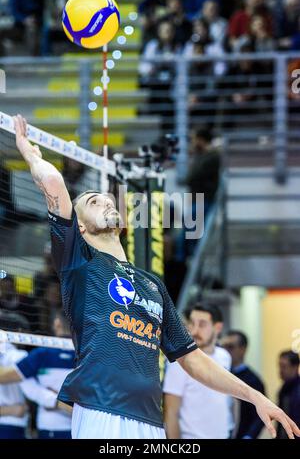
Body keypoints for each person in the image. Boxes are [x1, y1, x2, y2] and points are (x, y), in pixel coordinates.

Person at [8, 114, 300, 440]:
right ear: (80, 226)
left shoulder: (152, 284)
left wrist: (255, 396)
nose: (104, 200)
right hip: (102, 411)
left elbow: (191, 359)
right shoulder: (80, 263)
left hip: (149, 418)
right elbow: (53, 184)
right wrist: (29, 151)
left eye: (105, 197)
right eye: (92, 201)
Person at [0, 311, 74, 439]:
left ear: (57, 323)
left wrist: (57, 402)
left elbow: (7, 378)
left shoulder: (41, 354)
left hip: (48, 426)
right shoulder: (88, 354)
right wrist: (58, 402)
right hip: (75, 425)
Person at [163, 302, 232, 438]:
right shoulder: (180, 361)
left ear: (217, 327)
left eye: (202, 324)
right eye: (192, 323)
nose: (194, 331)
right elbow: (171, 412)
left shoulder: (224, 356)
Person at [222, 330, 265, 439]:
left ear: (243, 349)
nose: (226, 351)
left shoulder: (253, 380)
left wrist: (248, 436)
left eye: (230, 347)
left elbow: (259, 416)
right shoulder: (220, 375)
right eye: (224, 346)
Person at [277, 351, 300, 439]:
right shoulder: (283, 389)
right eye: (279, 366)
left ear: (295, 367)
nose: (280, 370)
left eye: (284, 366)